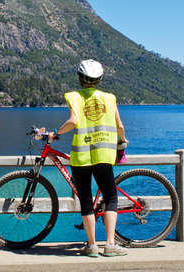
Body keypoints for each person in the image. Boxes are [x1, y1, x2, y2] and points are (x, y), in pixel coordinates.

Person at [49, 59, 129, 257]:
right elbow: (120, 126)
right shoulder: (110, 98)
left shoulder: (74, 97)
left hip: (81, 156)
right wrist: (122, 141)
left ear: (80, 78)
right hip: (104, 155)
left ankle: (91, 246)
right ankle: (110, 244)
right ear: (99, 79)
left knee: (85, 199)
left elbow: (72, 121)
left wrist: (56, 133)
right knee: (110, 197)